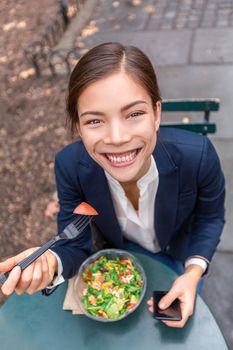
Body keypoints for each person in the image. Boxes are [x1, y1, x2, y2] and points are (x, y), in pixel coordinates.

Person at [0, 42, 225, 328]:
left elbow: (210, 217)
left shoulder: (199, 156)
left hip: (182, 256)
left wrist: (193, 273)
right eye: (95, 120)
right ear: (78, 128)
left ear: (157, 114)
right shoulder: (70, 166)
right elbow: (74, 242)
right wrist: (51, 263)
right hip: (120, 257)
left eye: (134, 114)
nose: (117, 137)